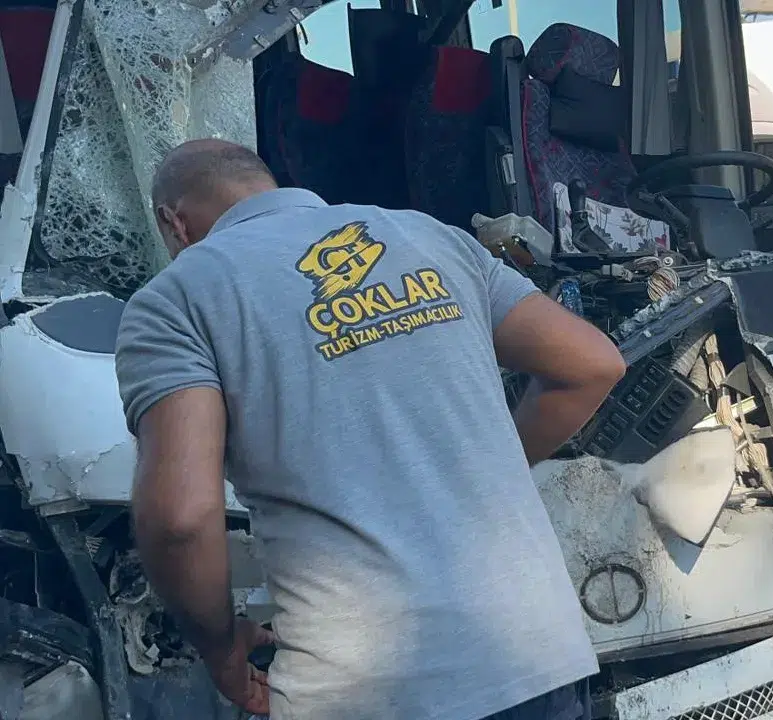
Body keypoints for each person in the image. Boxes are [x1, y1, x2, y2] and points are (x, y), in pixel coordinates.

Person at [115, 138, 626, 720]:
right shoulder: (430, 236)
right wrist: (482, 469)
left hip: (365, 695)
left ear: (173, 223)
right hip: (536, 661)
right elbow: (592, 365)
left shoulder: (176, 297)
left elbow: (180, 520)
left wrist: (220, 648)